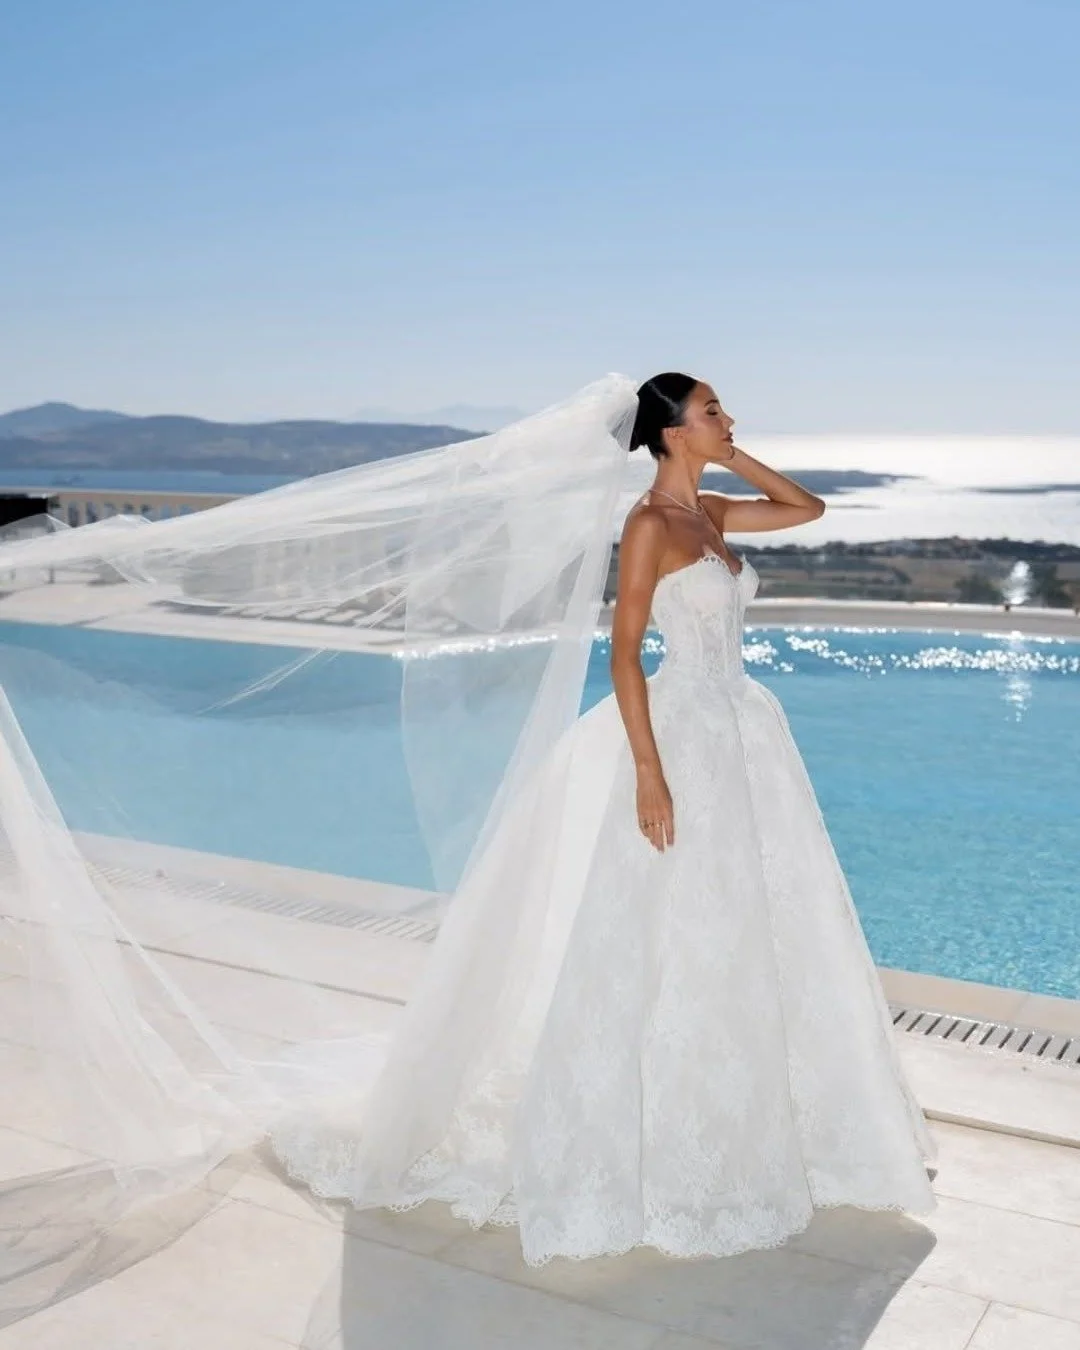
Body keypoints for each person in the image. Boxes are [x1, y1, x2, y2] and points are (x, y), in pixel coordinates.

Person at [270, 373, 939, 1265]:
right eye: (711, 412)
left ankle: (744, 1118)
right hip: (685, 739)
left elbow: (808, 507)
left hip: (746, 737)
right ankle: (643, 1132)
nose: (728, 419)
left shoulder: (714, 516)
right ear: (668, 433)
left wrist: (730, 456)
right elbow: (624, 653)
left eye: (723, 412)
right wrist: (651, 773)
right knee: (669, 932)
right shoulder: (651, 525)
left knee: (749, 930)